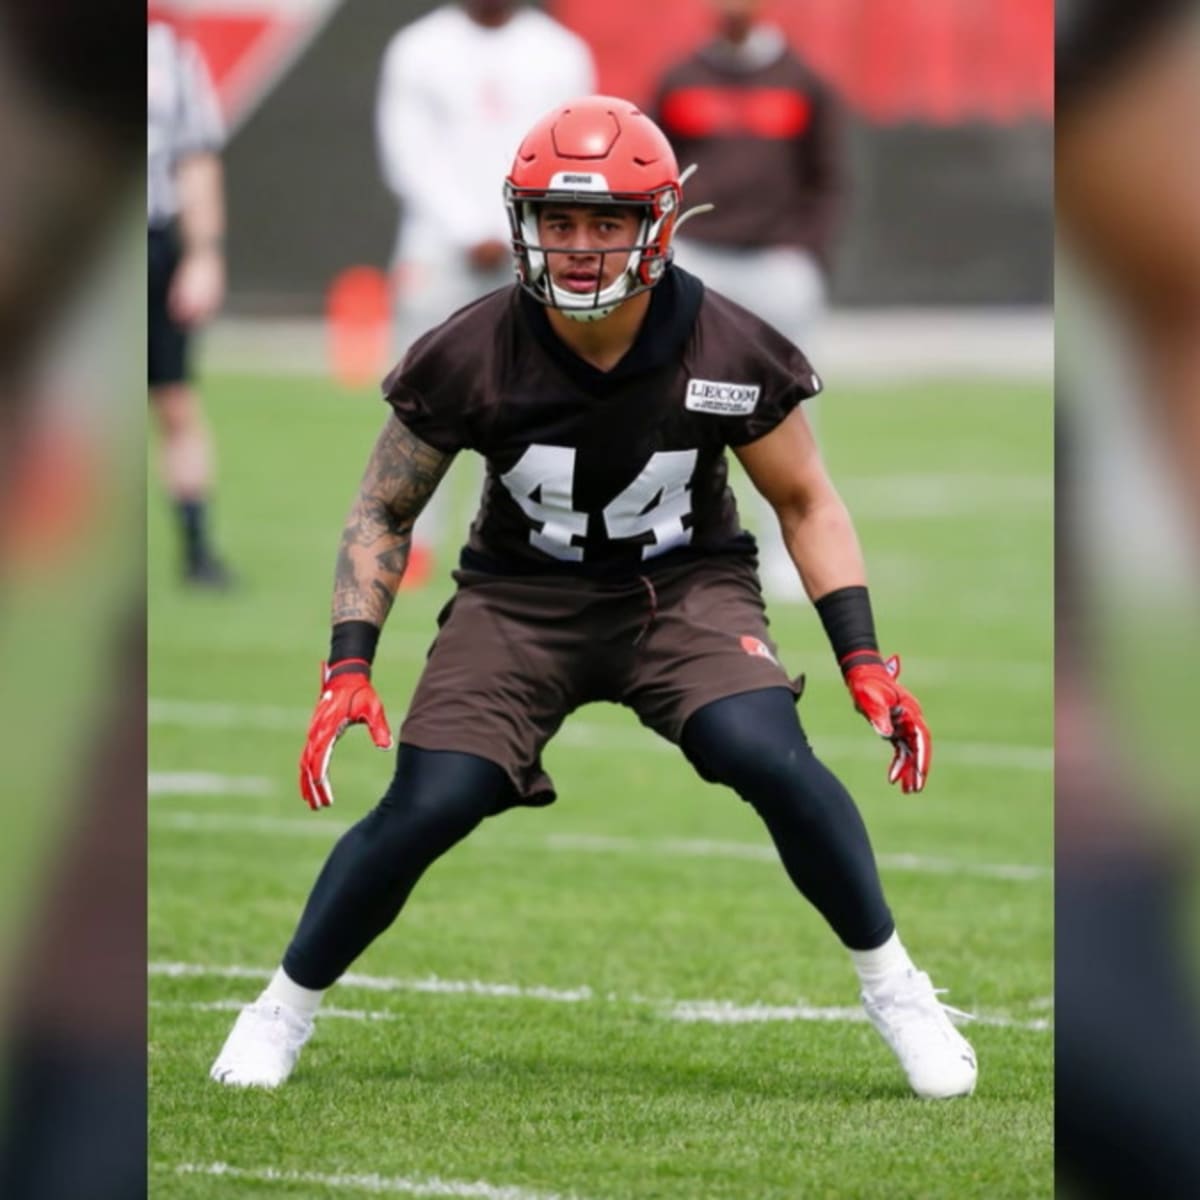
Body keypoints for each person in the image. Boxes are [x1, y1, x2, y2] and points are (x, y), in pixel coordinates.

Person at [210, 96, 976, 1101]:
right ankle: (282, 1008)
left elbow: (806, 500)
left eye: (606, 221)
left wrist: (861, 655)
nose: (578, 246)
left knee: (767, 754)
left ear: (655, 225)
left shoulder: (726, 344)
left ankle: (898, 988)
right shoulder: (473, 346)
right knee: (432, 800)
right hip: (518, 605)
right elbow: (383, 511)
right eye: (558, 221)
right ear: (523, 222)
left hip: (684, 595)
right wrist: (348, 662)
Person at [375, 0, 595, 584]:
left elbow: (573, 153)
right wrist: (466, 228)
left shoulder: (559, 51)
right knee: (421, 393)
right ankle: (408, 533)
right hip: (438, 249)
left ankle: (512, 531)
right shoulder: (418, 47)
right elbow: (407, 153)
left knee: (534, 397)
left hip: (532, 249)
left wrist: (515, 231)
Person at [650, 0, 845, 600]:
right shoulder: (679, 78)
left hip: (774, 260)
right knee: (668, 397)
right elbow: (657, 167)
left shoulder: (802, 81)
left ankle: (793, 551)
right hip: (700, 257)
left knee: (788, 404)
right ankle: (665, 542)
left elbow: (827, 176)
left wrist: (805, 250)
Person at [148, 17, 232, 587]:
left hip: (150, 239)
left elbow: (196, 157)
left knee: (175, 401)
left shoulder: (169, 53)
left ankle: (198, 551)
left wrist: (203, 254)